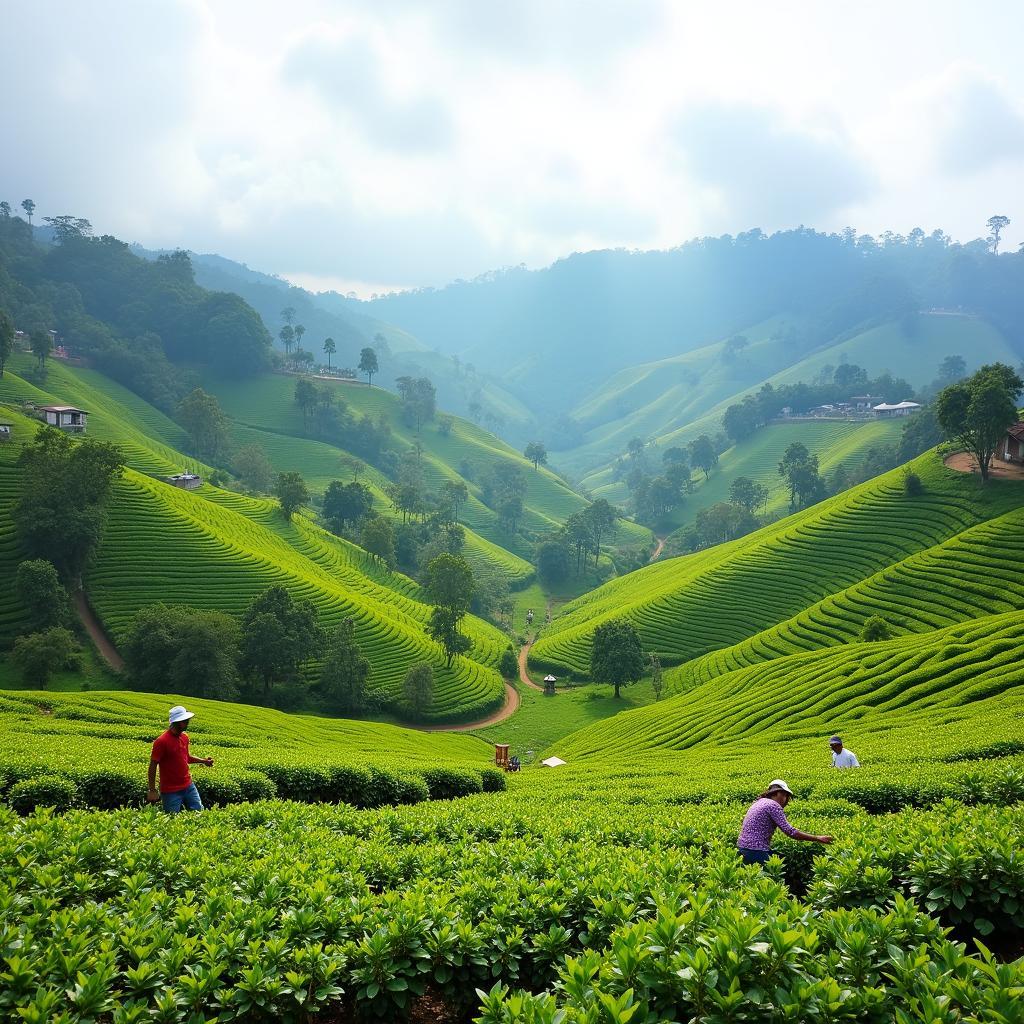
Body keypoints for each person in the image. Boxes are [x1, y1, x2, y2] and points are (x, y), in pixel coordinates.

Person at [737, 779, 833, 865]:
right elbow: (790, 832)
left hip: (742, 847)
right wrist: (817, 838)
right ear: (777, 793)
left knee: (779, 860)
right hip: (755, 849)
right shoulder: (773, 805)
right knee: (771, 877)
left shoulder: (760, 802)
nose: (786, 799)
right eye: (785, 795)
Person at [148, 705, 213, 813]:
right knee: (172, 820)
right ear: (177, 722)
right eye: (185, 720)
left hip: (188, 785)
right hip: (170, 791)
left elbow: (186, 758)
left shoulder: (185, 737)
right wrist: (152, 790)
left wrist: (204, 761)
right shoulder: (161, 741)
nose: (188, 722)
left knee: (199, 813)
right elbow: (153, 765)